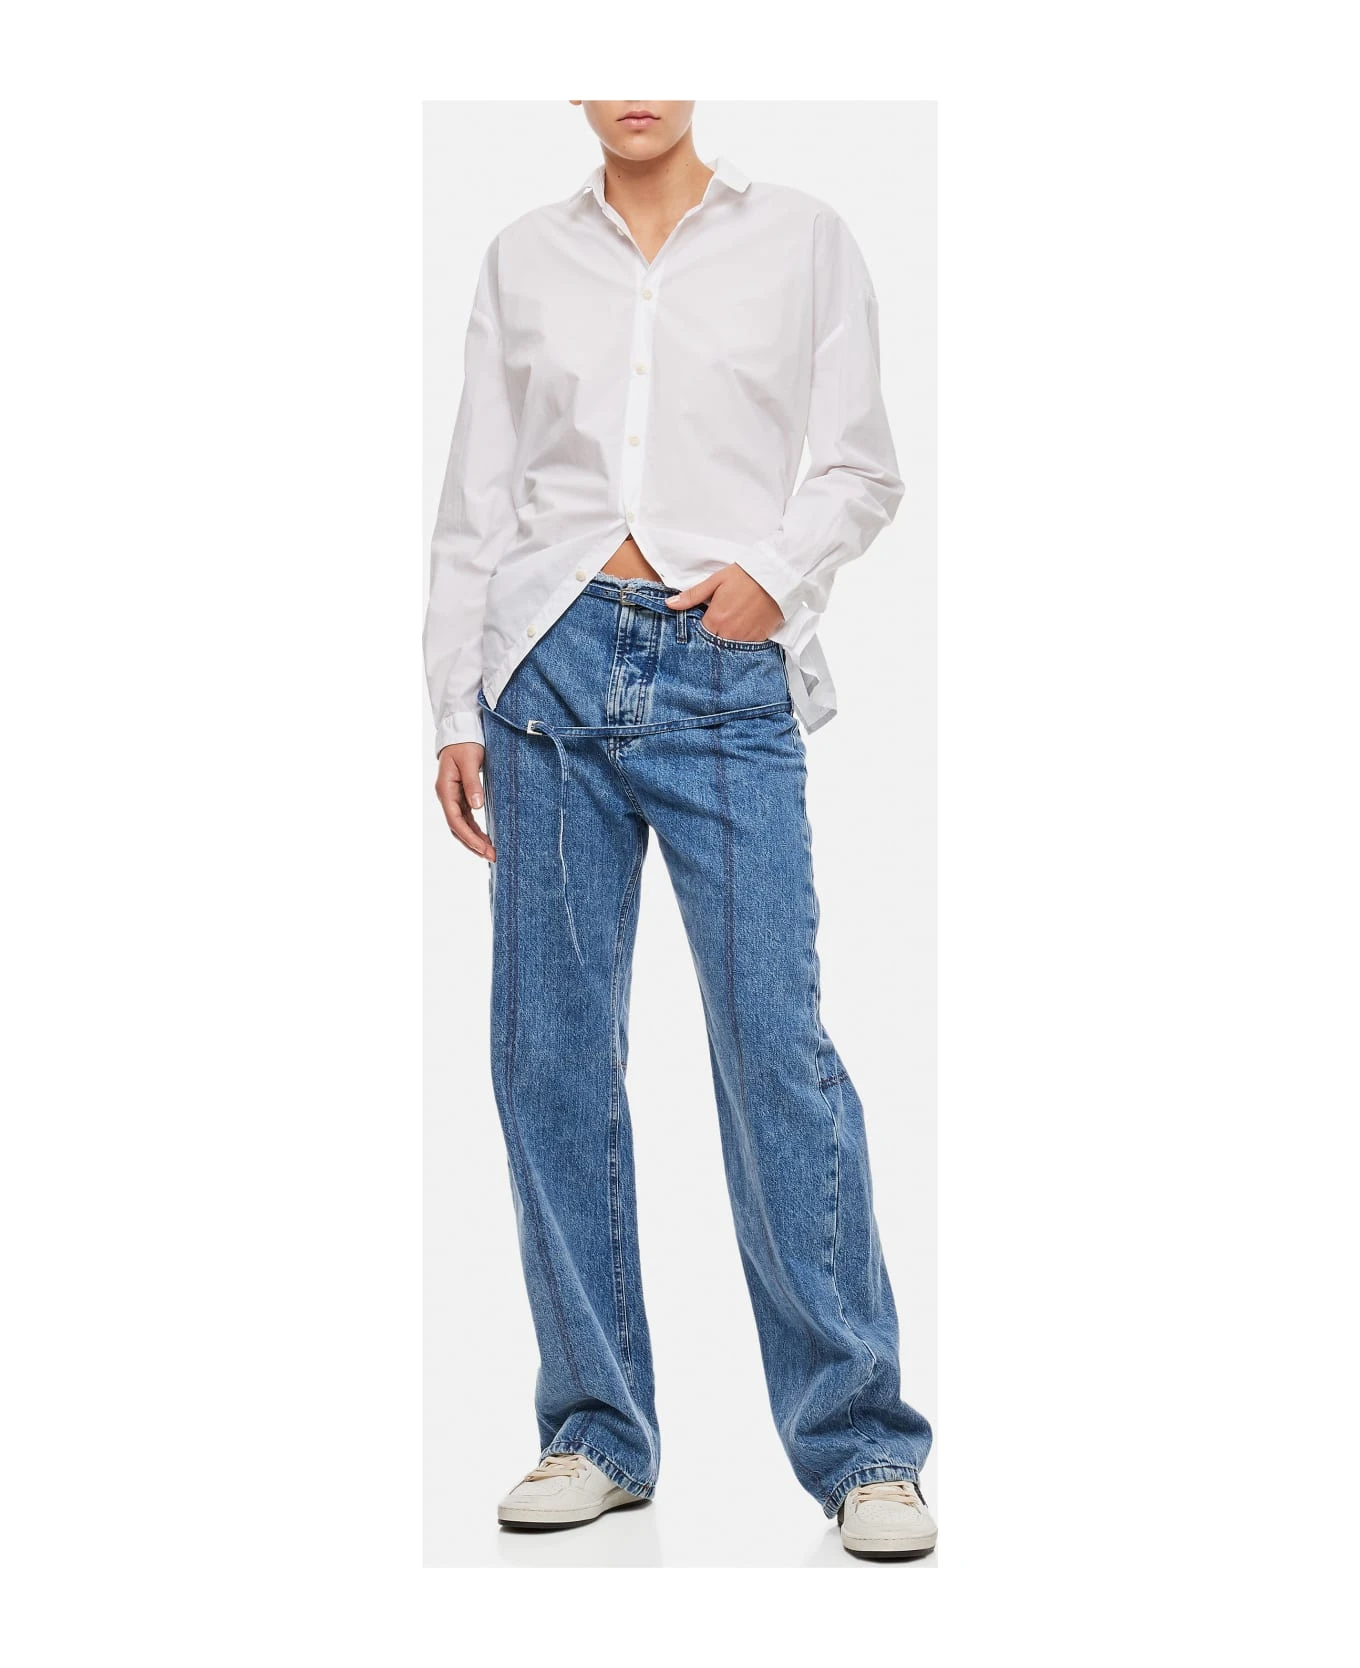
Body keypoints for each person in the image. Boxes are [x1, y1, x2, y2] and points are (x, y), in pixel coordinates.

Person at [424, 101, 936, 1561]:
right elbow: (475, 497)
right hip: (545, 669)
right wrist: (454, 702)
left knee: (776, 1048)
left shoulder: (804, 239)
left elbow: (861, 464)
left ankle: (863, 1446)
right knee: (549, 1053)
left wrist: (773, 573)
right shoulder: (522, 255)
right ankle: (595, 1430)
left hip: (724, 665)